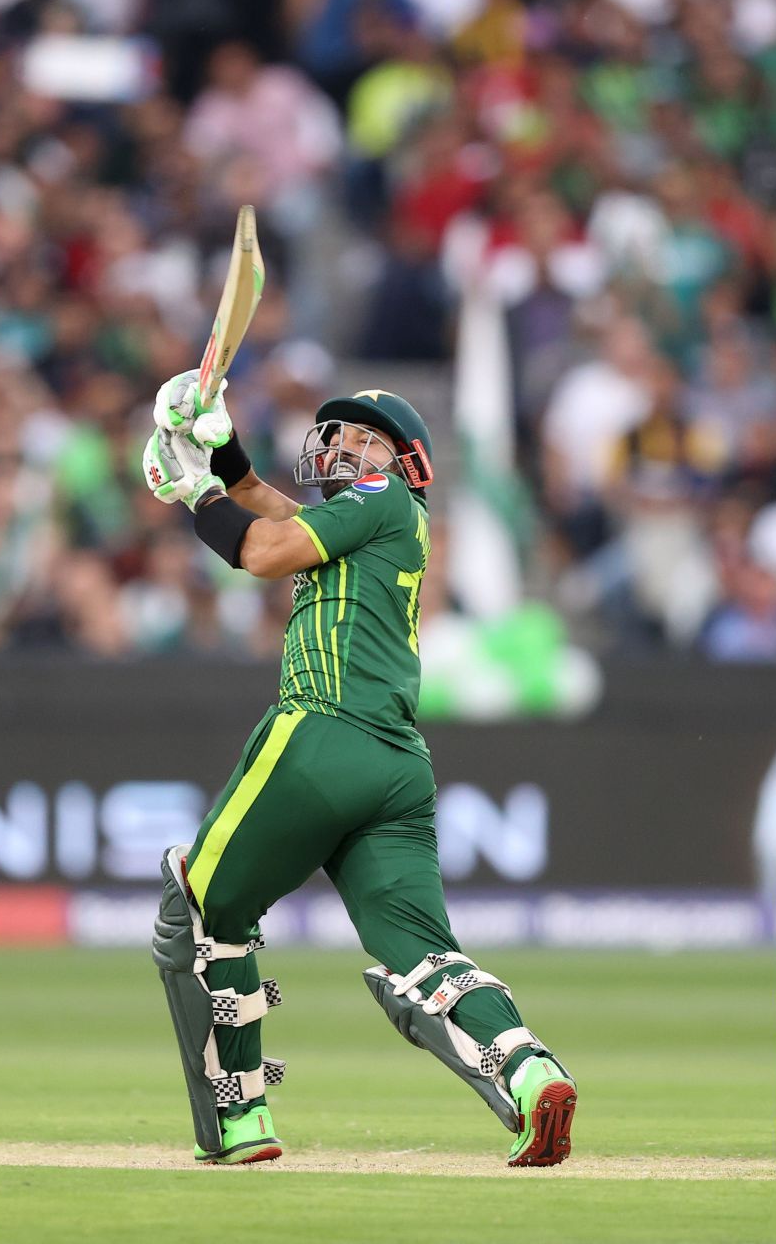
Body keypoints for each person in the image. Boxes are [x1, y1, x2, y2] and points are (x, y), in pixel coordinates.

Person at [140, 370, 575, 1165]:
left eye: (356, 435)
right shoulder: (377, 519)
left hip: (323, 733)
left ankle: (240, 1121)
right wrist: (221, 447)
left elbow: (263, 550)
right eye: (333, 432)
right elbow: (276, 510)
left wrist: (196, 492)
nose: (336, 442)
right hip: (397, 765)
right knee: (420, 952)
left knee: (198, 908)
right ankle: (529, 1072)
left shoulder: (379, 498)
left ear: (399, 459)